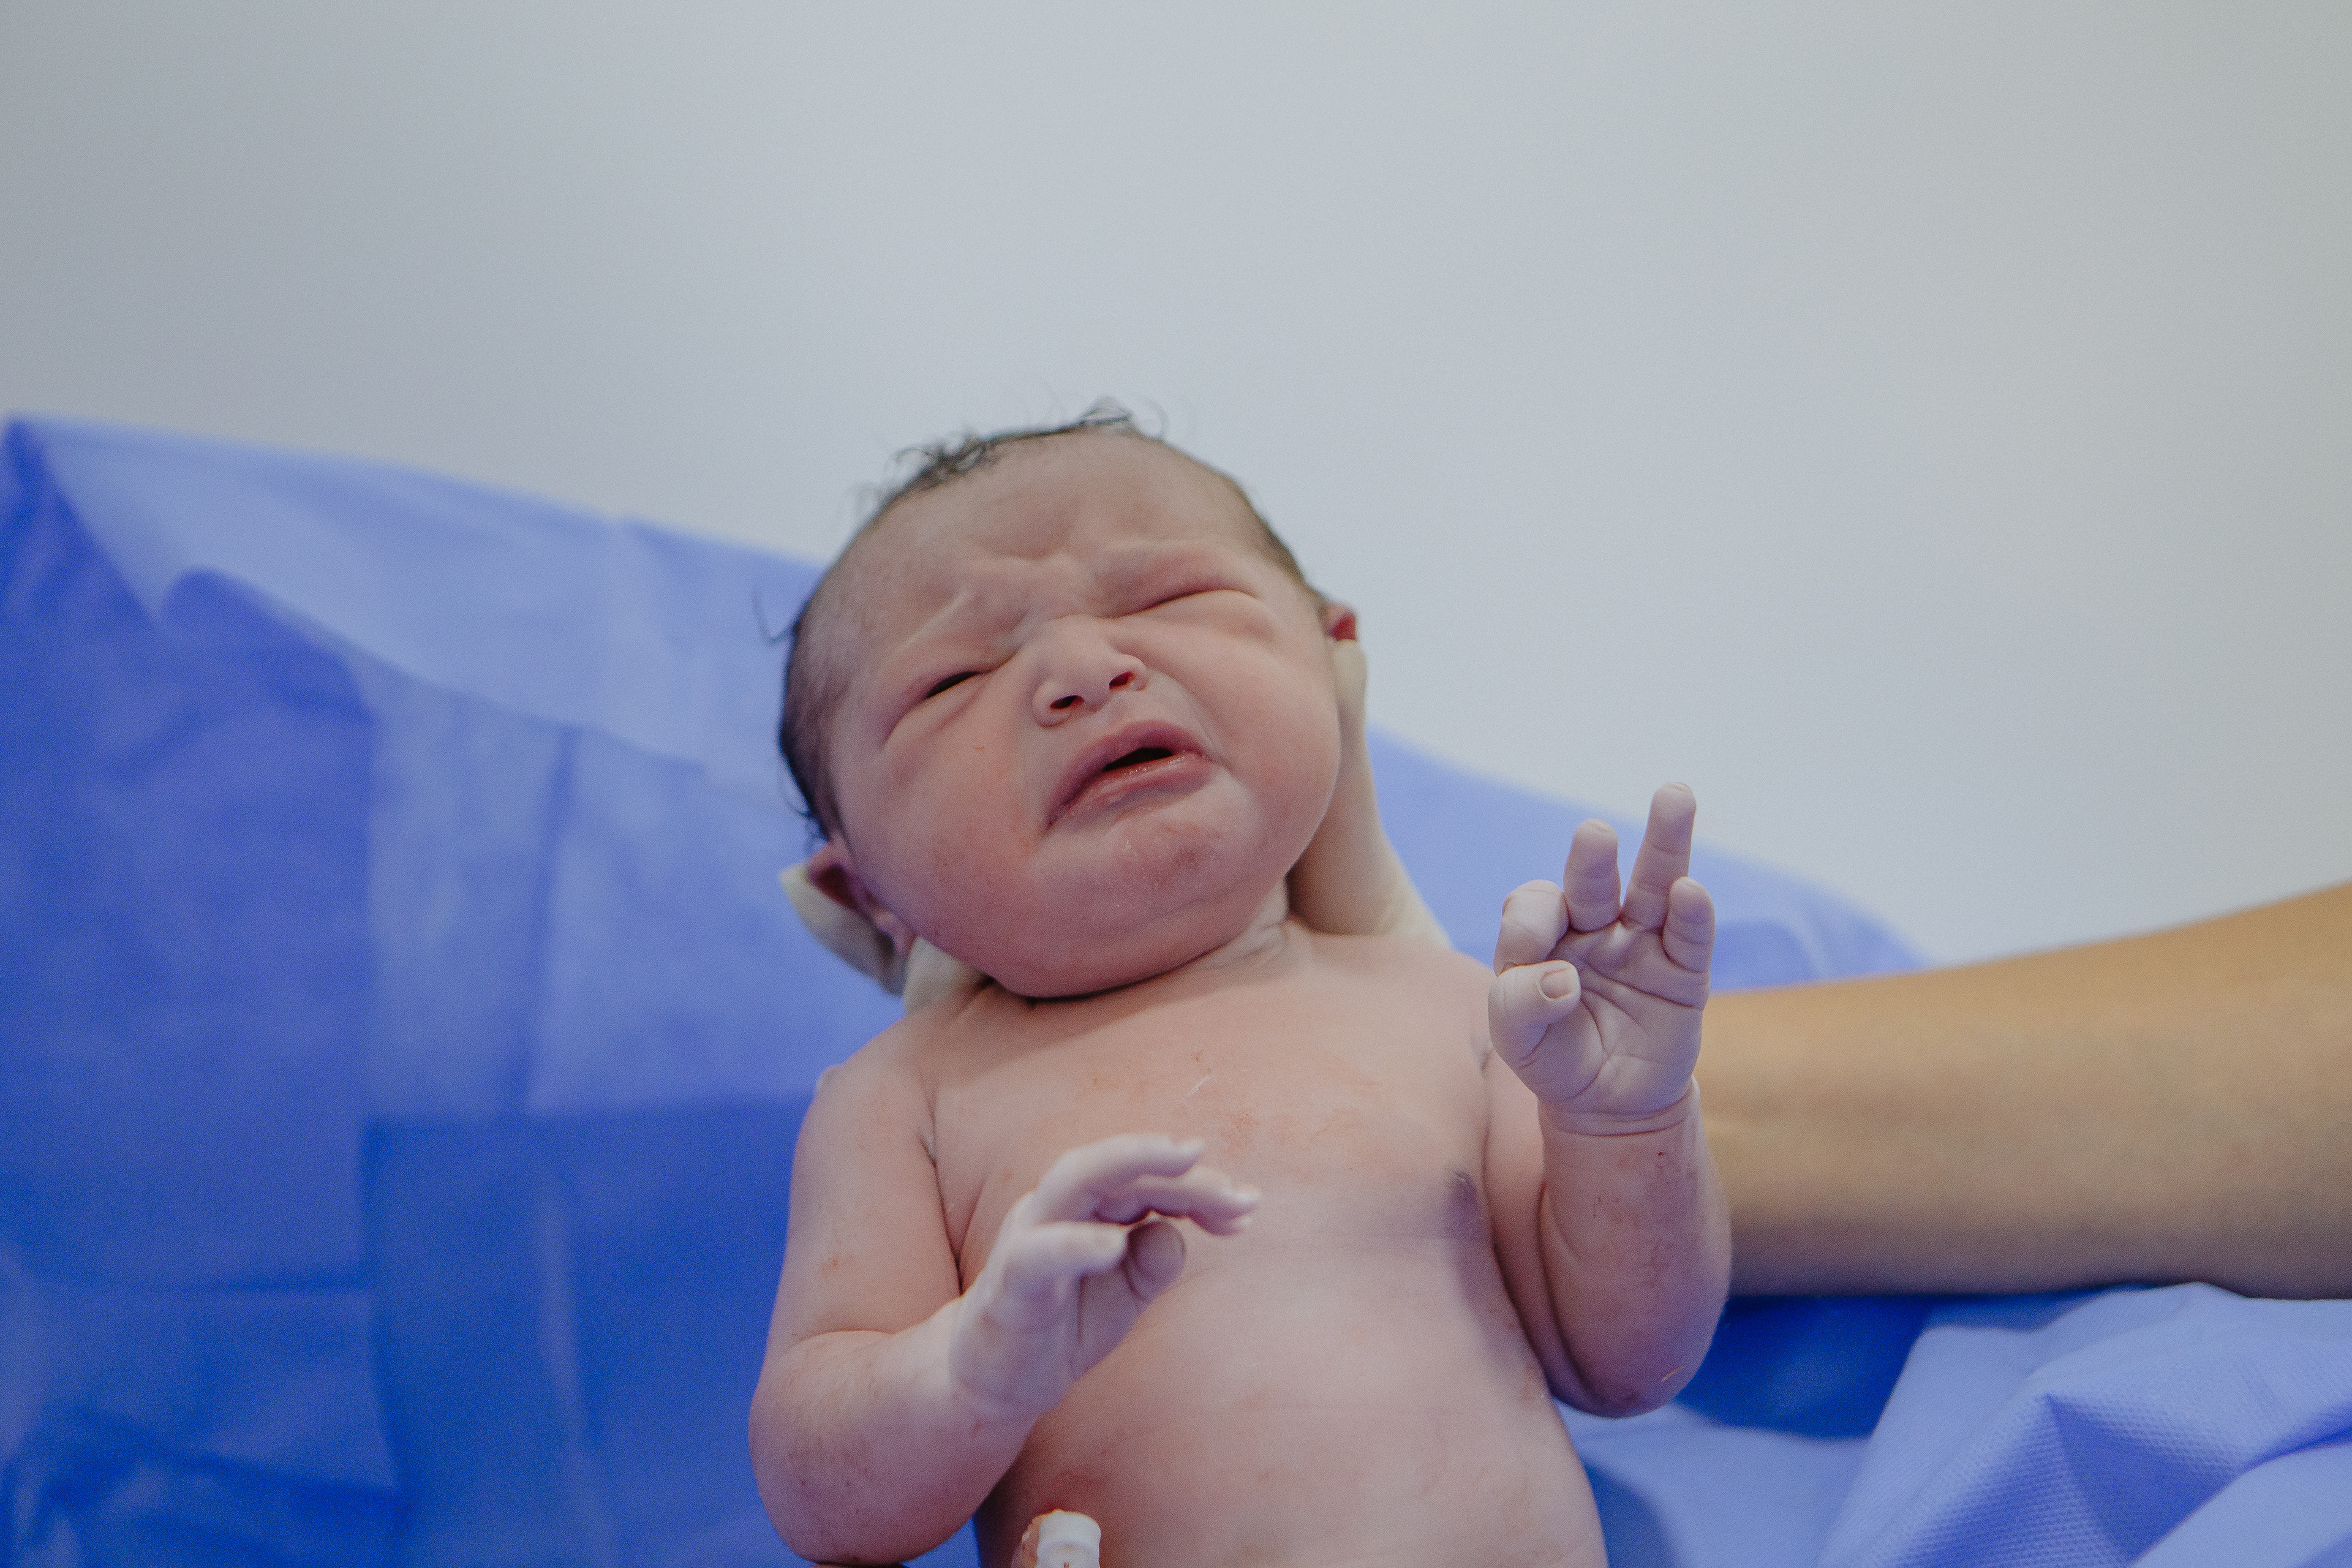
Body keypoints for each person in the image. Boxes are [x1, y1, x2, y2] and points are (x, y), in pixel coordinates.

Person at [750, 414, 1728, 1567]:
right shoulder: (905, 1100)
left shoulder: (1450, 1008)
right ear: (862, 890)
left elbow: (1622, 1364)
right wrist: (965, 1370)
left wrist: (1627, 1122)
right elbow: (826, 1500)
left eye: (1168, 596)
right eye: (952, 679)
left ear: (1332, 655)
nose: (1083, 671)